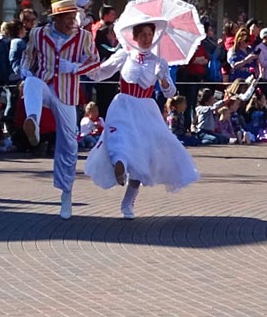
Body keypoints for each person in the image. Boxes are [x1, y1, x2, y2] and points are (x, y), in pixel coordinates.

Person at [84, 21, 200, 220]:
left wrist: (163, 78)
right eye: (143, 34)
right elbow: (101, 73)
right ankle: (119, 165)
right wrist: (86, 64)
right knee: (119, 138)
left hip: (146, 108)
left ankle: (128, 201)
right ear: (135, 37)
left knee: (142, 155)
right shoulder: (124, 55)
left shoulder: (159, 62)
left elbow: (170, 92)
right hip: (123, 105)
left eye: (150, 34)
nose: (147, 39)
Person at [21, 0, 101, 219]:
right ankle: (33, 123)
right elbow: (28, 57)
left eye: (73, 17)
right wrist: (25, 72)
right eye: (66, 18)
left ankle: (66, 195)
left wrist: (75, 67)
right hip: (46, 85)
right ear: (55, 18)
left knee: (68, 145)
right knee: (31, 84)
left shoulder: (83, 37)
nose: (71, 22)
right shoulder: (38, 34)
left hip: (67, 94)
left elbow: (95, 62)